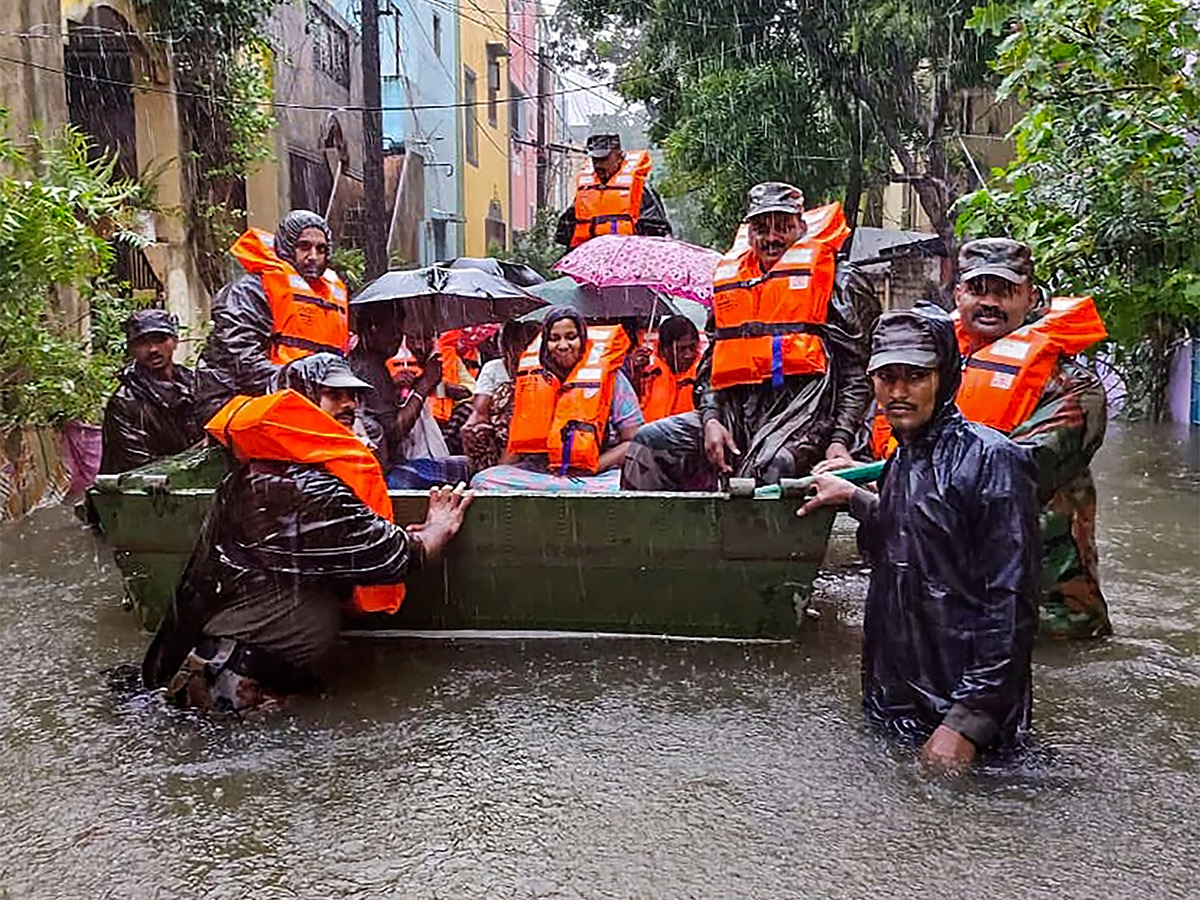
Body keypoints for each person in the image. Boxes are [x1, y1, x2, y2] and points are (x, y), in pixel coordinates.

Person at [141, 353, 473, 713]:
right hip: (228, 688)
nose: (350, 405)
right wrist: (437, 528)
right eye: (334, 395)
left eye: (354, 397)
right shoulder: (299, 486)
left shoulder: (272, 471)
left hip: (249, 676)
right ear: (297, 400)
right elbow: (394, 557)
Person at [799, 303, 1040, 773]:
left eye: (915, 376)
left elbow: (1011, 606)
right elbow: (909, 530)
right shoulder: (902, 460)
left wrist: (966, 723)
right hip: (895, 702)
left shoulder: (993, 461)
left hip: (963, 721)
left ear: (945, 377)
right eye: (887, 378)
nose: (898, 392)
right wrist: (850, 497)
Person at [621, 183, 871, 491]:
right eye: (762, 228)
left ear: (802, 227)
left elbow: (859, 374)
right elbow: (711, 366)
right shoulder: (733, 284)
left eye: (783, 227)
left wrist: (840, 440)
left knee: (772, 467)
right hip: (737, 414)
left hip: (809, 417)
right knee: (650, 442)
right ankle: (649, 538)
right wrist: (712, 418)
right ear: (749, 232)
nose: (771, 238)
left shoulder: (840, 281)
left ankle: (752, 540)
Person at [953, 238, 1111, 639]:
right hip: (964, 600)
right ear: (958, 295)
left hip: (1051, 610)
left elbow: (1019, 471)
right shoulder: (936, 372)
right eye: (977, 289)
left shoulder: (1075, 388)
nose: (990, 302)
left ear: (1032, 298)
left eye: (1005, 291)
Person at [194, 210, 350, 420]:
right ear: (286, 247)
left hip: (308, 399)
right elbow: (241, 358)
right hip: (238, 398)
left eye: (321, 249)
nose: (313, 256)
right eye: (304, 246)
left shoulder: (330, 295)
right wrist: (294, 384)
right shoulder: (250, 290)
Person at [470, 307, 643, 492]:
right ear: (545, 343)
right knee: (483, 481)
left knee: (621, 487)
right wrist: (499, 469)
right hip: (540, 472)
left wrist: (595, 466)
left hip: (597, 475)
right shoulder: (531, 379)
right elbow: (516, 448)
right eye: (554, 339)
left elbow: (634, 441)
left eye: (571, 337)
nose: (563, 345)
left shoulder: (612, 378)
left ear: (583, 340)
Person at [348, 301, 470, 489]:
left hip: (389, 462)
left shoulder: (371, 364)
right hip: (387, 471)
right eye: (392, 331)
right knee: (466, 468)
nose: (397, 338)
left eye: (400, 331)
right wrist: (424, 385)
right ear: (372, 329)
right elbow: (395, 431)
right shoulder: (368, 367)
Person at [100, 308, 204, 474]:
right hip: (146, 492)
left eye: (160, 340)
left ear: (175, 341)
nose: (153, 349)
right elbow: (139, 467)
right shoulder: (125, 402)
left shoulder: (195, 384)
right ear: (132, 349)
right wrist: (196, 455)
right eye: (142, 343)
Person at [555, 134, 672, 248]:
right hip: (591, 257)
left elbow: (658, 232)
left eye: (604, 159)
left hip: (628, 256)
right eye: (594, 160)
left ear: (619, 156)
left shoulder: (640, 190)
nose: (598, 165)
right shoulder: (586, 190)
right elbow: (564, 233)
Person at [459, 318, 541, 473]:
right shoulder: (493, 368)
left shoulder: (543, 370)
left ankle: (497, 475)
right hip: (500, 435)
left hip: (530, 437)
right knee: (475, 430)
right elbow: (479, 411)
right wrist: (470, 429)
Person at [637, 315, 702, 423]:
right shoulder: (646, 371)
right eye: (681, 349)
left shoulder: (703, 374)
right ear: (664, 349)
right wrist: (634, 373)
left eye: (692, 347)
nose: (688, 354)